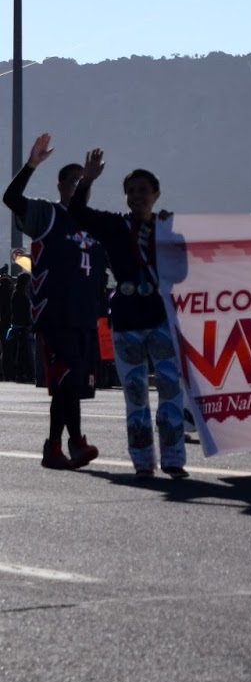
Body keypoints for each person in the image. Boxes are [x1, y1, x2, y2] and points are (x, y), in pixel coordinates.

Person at [68, 148, 187, 478]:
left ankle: (174, 458)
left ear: (156, 194)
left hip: (161, 319)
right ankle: (143, 461)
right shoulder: (113, 226)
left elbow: (183, 273)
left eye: (143, 190)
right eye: (132, 191)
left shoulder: (169, 230)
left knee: (170, 391)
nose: (137, 196)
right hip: (126, 323)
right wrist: (88, 178)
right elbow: (77, 211)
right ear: (125, 196)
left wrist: (172, 241)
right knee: (135, 394)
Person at [3, 133, 102, 469]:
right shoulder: (47, 214)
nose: (77, 185)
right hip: (56, 313)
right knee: (65, 381)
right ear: (60, 185)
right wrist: (31, 165)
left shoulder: (91, 226)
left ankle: (68, 443)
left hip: (84, 317)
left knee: (72, 386)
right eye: (73, 180)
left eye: (83, 181)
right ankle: (62, 444)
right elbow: (11, 198)